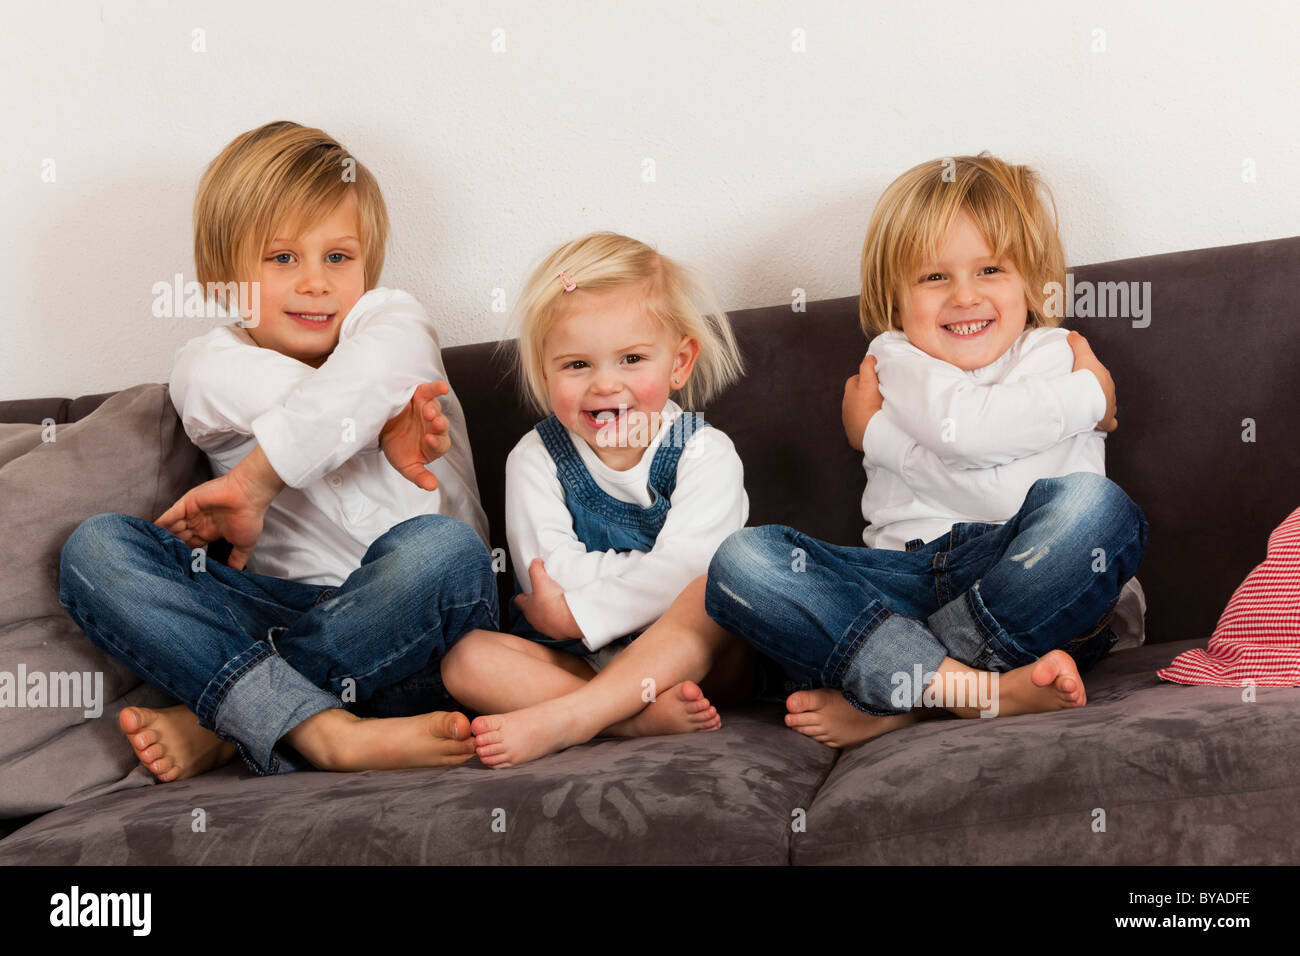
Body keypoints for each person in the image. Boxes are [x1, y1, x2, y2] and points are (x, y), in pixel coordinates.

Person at [58, 120, 497, 779]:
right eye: (283, 258)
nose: (316, 282)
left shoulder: (395, 319)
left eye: (338, 258)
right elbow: (336, 397)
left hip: (424, 636)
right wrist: (376, 424)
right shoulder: (206, 365)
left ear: (369, 271)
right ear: (221, 280)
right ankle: (326, 733)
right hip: (280, 614)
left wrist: (257, 481)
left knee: (445, 550)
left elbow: (369, 379)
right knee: (96, 549)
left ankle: (236, 727)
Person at [443, 232, 753, 767]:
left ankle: (575, 717)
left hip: (690, 658)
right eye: (577, 365)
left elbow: (688, 569)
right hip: (581, 660)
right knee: (465, 660)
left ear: (679, 362)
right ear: (543, 372)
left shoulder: (704, 451)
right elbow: (549, 575)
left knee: (711, 592)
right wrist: (596, 602)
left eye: (632, 359)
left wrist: (577, 613)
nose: (606, 385)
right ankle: (631, 719)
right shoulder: (535, 459)